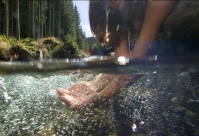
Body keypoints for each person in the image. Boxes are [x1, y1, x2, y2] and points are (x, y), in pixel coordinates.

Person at [57, 0, 198, 111]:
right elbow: (121, 59)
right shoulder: (116, 10)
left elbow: (137, 61)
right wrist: (93, 85)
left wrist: (98, 97)